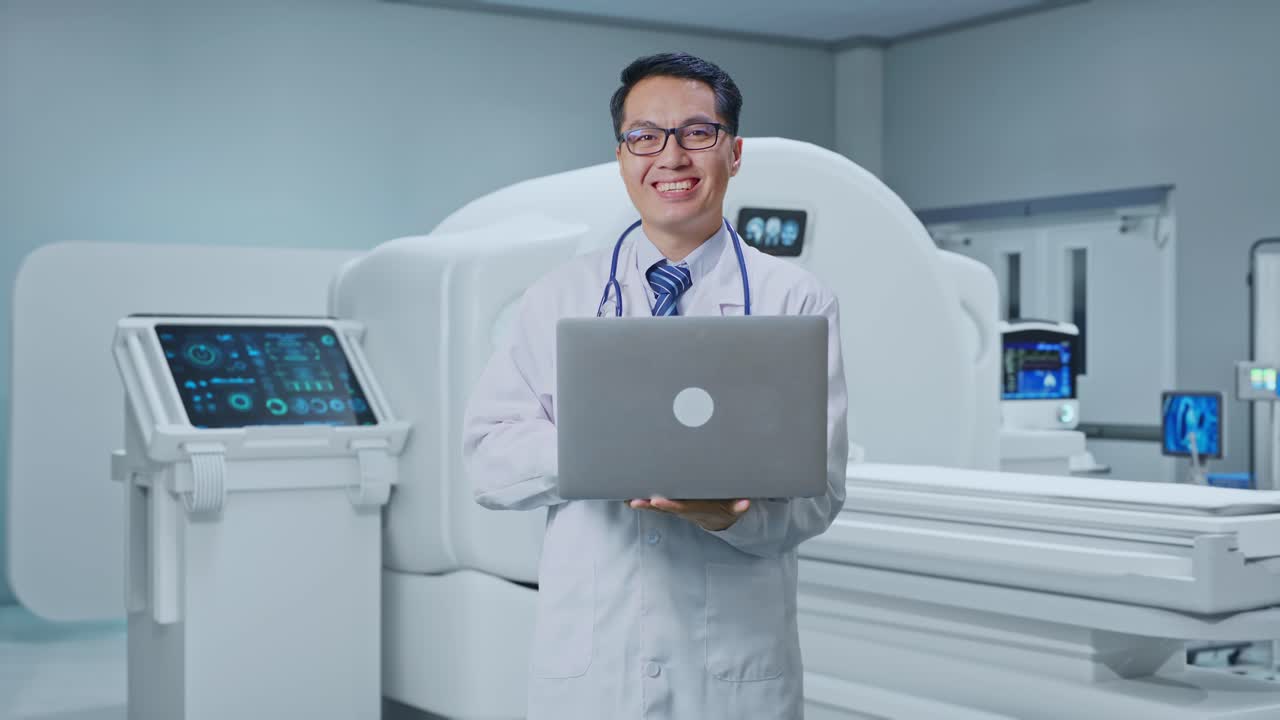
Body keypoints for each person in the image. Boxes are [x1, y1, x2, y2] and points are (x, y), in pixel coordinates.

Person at [462, 52, 849, 720]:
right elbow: (488, 461)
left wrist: (737, 517)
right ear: (622, 156)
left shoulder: (794, 298)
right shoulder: (561, 297)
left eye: (697, 134)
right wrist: (602, 452)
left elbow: (821, 493)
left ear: (733, 152)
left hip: (731, 668)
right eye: (646, 137)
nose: (670, 157)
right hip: (594, 665)